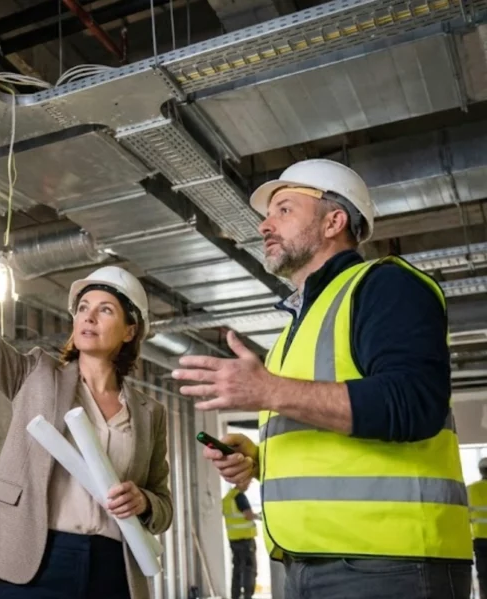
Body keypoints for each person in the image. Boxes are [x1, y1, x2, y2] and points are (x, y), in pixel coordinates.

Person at [171, 158, 472, 598]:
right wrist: (258, 461)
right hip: (305, 563)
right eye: (267, 215)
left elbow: (414, 403)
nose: (265, 226)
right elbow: (328, 440)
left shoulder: (385, 286)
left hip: (389, 565)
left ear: (334, 221)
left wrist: (268, 389)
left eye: (284, 210)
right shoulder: (297, 327)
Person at [0, 168, 173, 598]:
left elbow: (163, 503)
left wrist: (146, 503)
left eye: (106, 310)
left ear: (131, 331)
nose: (89, 317)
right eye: (83, 308)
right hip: (39, 558)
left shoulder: (151, 413)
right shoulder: (35, 374)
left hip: (115, 568)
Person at [223, 480, 259, 599]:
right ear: (241, 482)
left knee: (237, 570)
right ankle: (248, 596)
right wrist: (259, 516)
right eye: (247, 482)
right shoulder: (240, 497)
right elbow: (247, 515)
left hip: (233, 539)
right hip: (245, 540)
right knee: (249, 570)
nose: (248, 485)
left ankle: (235, 596)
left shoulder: (228, 497)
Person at [469, 458, 487, 596]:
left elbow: (465, 516)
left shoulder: (471, 490)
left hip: (480, 540)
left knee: (484, 574)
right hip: (480, 540)